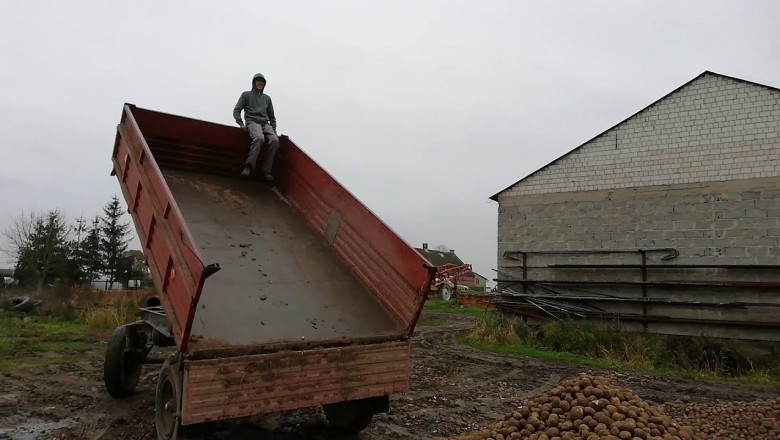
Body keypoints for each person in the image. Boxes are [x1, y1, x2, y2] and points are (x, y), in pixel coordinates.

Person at [233, 73, 279, 181]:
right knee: (259, 138)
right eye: (258, 81)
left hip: (265, 124)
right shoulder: (246, 95)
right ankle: (248, 166)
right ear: (253, 82)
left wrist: (274, 129)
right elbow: (237, 110)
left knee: (275, 140)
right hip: (252, 121)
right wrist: (241, 124)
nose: (260, 83)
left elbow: (272, 116)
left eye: (262, 81)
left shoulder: (267, 99)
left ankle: (266, 170)